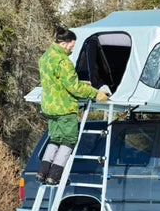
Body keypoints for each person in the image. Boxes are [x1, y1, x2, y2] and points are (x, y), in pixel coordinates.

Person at [37, 27, 109, 185]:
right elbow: (73, 86)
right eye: (72, 45)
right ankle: (55, 176)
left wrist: (82, 83)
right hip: (64, 107)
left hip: (50, 106)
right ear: (64, 43)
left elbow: (58, 81)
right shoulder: (63, 61)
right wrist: (95, 93)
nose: (72, 48)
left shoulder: (46, 57)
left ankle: (43, 172)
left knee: (55, 139)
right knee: (68, 140)